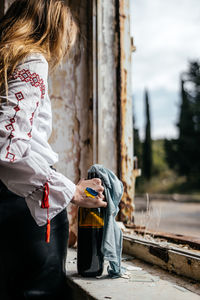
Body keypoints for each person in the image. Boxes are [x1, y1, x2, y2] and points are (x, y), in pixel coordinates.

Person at [0, 0, 107, 299]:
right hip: (27, 214)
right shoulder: (32, 60)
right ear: (52, 29)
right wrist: (73, 191)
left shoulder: (5, 61)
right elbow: (6, 147)